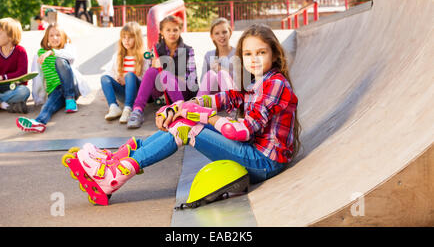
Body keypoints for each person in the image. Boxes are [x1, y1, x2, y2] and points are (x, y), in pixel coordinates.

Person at [72, 24, 301, 202]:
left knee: (186, 127)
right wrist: (180, 107)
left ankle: (112, 179)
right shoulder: (255, 82)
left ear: (274, 54)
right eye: (249, 54)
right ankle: (117, 160)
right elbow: (224, 98)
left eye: (261, 52)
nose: (255, 59)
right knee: (182, 119)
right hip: (253, 152)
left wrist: (200, 115)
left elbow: (241, 131)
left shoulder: (276, 84)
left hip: (263, 161)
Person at [126, 15, 199, 129]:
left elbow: (192, 83)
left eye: (175, 30)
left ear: (180, 30)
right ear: (161, 32)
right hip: (161, 93)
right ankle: (137, 110)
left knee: (164, 75)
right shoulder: (156, 49)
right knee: (151, 72)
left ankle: (181, 113)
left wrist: (167, 73)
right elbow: (150, 81)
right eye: (168, 30)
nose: (172, 33)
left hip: (182, 91)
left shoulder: (188, 50)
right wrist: (154, 65)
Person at [16, 24, 90, 133]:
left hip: (71, 88)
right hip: (55, 90)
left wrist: (51, 52)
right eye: (51, 35)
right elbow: (38, 76)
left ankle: (70, 99)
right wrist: (38, 98)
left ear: (63, 37)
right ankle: (39, 123)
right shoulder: (39, 54)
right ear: (46, 39)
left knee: (59, 60)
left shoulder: (68, 48)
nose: (55, 38)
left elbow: (71, 56)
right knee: (48, 105)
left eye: (58, 35)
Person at [101, 22, 150, 123]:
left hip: (137, 93)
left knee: (129, 75)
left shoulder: (143, 56)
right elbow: (110, 73)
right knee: (104, 78)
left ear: (137, 39)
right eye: (124, 37)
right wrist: (117, 79)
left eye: (130, 37)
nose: (126, 40)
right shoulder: (118, 56)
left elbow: (147, 80)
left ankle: (128, 109)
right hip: (123, 92)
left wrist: (127, 80)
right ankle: (114, 107)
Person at [0, 18, 30, 114]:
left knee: (24, 91)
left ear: (10, 36)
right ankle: (6, 106)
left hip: (14, 88)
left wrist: (2, 77)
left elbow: (22, 73)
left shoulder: (20, 51)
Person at [197, 17, 238, 96]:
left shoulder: (237, 53)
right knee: (210, 74)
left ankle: (231, 106)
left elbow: (240, 81)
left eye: (224, 32)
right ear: (212, 36)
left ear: (230, 32)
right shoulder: (209, 55)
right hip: (214, 95)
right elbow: (203, 82)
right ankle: (197, 105)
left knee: (222, 74)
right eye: (217, 33)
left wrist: (222, 69)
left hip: (232, 94)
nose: (221, 36)